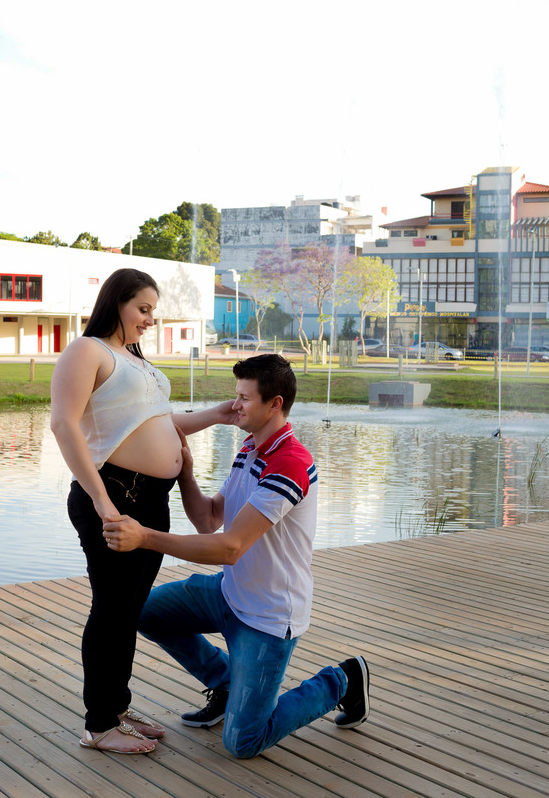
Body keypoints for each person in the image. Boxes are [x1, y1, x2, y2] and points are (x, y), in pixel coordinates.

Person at [103, 353, 371, 760]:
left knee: (243, 741)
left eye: (244, 398)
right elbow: (209, 520)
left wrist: (144, 537)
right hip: (229, 593)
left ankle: (343, 680)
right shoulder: (250, 448)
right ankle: (226, 682)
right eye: (236, 395)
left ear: (274, 404)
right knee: (142, 611)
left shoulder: (289, 464)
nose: (235, 405)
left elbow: (230, 547)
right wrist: (186, 474)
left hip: (268, 615)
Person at [50, 267, 237, 755]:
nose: (151, 319)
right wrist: (102, 502)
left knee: (128, 610)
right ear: (117, 302)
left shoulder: (134, 358)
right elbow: (64, 425)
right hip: (115, 496)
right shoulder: (88, 351)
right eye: (144, 309)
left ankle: (117, 708)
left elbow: (158, 422)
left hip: (152, 500)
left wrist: (216, 415)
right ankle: (99, 724)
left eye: (154, 310)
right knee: (112, 609)